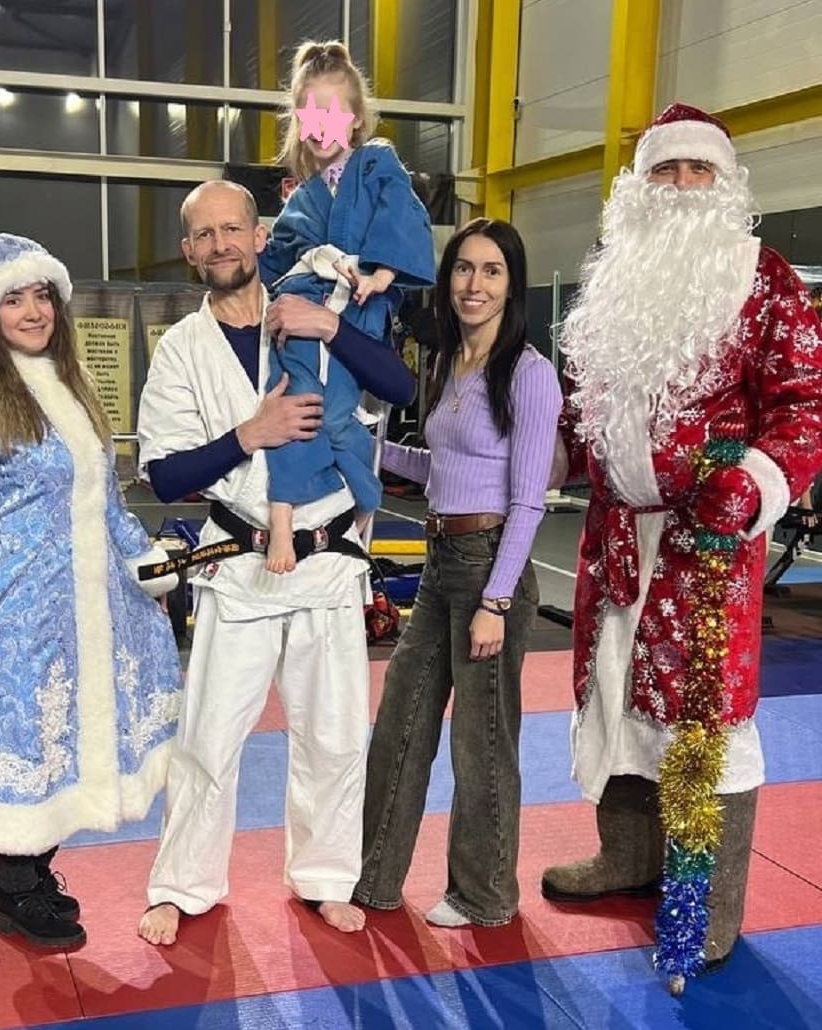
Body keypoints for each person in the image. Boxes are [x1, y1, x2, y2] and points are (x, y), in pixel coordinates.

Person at [540, 104, 822, 987]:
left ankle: (707, 905)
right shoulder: (616, 275)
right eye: (667, 170)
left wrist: (755, 483)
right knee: (618, 698)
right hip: (616, 537)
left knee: (706, 724)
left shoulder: (764, 280)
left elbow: (805, 405)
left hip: (708, 545)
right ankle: (629, 857)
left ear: (726, 183)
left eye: (701, 170)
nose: (683, 186)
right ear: (640, 185)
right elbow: (588, 407)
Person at [135, 179, 416, 945]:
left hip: (326, 560)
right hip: (240, 563)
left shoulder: (309, 311)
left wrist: (332, 327)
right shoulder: (182, 349)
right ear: (189, 251)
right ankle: (182, 885)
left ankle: (324, 877)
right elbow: (165, 476)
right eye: (205, 234)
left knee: (335, 736)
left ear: (260, 237)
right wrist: (248, 435)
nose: (221, 243)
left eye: (234, 228)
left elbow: (398, 384)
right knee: (207, 740)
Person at [0, 233, 183, 949]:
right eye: (14, 299)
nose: (33, 311)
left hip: (84, 606)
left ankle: (31, 874)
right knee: (24, 738)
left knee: (65, 739)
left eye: (42, 295)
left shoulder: (74, 384)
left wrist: (145, 565)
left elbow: (106, 502)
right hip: (15, 607)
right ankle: (17, 886)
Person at [351, 219, 562, 927]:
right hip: (441, 560)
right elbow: (440, 466)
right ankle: (374, 878)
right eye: (464, 269)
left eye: (492, 271)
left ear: (512, 284)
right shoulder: (447, 361)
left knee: (481, 745)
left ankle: (485, 895)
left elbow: (528, 499)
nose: (475, 284)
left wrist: (495, 602)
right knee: (401, 721)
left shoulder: (528, 374)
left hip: (489, 567)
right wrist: (363, 449)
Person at [259, 40, 436, 573]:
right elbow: (277, 260)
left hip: (359, 310)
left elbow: (400, 213)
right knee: (294, 406)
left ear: (355, 119)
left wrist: (383, 272)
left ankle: (360, 507)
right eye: (311, 114)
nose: (321, 127)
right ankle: (292, 517)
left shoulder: (377, 162)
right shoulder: (303, 197)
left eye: (332, 113)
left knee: (334, 415)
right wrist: (256, 252)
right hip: (304, 314)